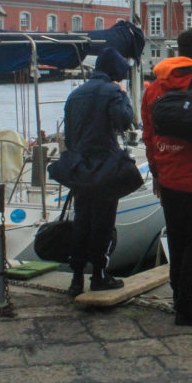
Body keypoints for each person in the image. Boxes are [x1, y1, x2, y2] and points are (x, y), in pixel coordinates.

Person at [141, 28, 192, 326]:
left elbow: (148, 137)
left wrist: (157, 173)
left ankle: (180, 296)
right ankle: (190, 304)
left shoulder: (153, 89)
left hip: (170, 176)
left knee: (177, 239)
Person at [63, 46, 133, 297]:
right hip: (104, 165)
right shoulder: (113, 91)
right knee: (102, 222)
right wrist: (124, 96)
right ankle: (100, 276)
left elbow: (69, 136)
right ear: (116, 74)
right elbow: (124, 121)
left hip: (79, 165)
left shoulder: (75, 94)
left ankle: (76, 278)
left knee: (82, 220)